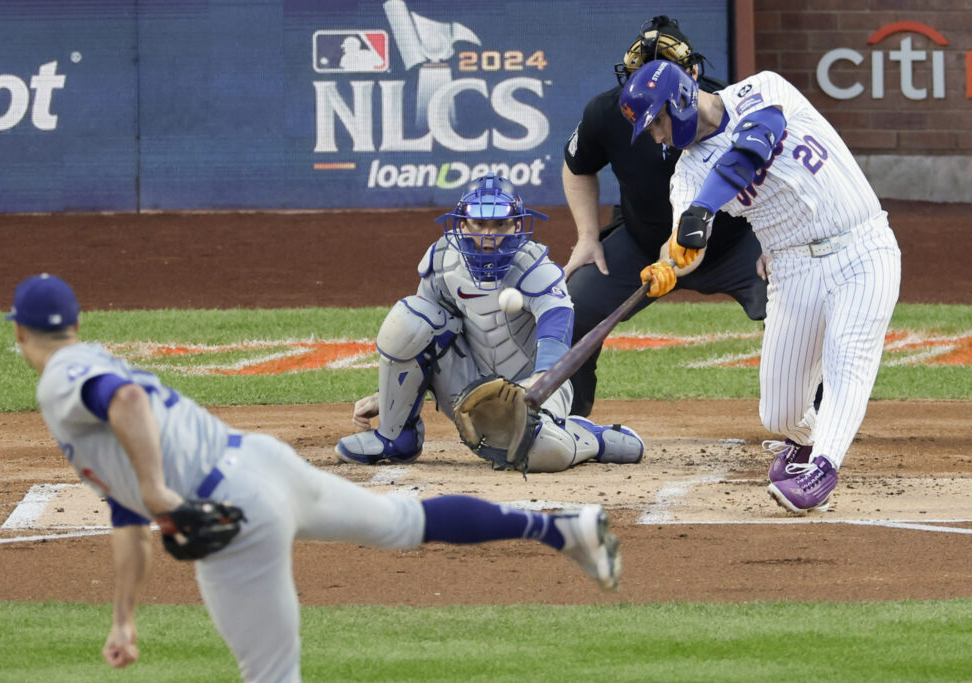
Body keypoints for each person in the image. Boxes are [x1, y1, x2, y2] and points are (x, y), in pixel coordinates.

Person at [7, 272, 622, 682]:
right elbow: (128, 519)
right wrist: (123, 617)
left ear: (17, 331)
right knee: (405, 522)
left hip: (237, 514)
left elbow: (128, 407)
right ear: (75, 323)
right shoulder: (88, 368)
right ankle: (560, 530)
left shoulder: (62, 376)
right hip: (262, 463)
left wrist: (157, 491)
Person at [620, 59, 901, 513]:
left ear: (681, 101)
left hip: (863, 247)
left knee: (848, 354)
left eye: (657, 123)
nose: (657, 137)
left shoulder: (762, 88)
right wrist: (668, 265)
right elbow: (688, 242)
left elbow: (754, 143)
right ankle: (807, 443)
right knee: (779, 413)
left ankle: (823, 470)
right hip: (792, 270)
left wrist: (705, 208)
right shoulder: (687, 175)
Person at [336, 173, 645, 473]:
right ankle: (396, 436)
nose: (488, 234)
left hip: (536, 388)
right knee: (409, 318)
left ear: (516, 223)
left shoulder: (534, 266)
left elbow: (557, 323)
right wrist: (392, 397)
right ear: (463, 222)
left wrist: (540, 379)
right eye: (479, 223)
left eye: (500, 224)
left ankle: (588, 437)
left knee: (543, 452)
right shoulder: (443, 261)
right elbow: (421, 335)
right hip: (469, 388)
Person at [562, 15, 768, 417]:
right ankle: (566, 419)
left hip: (735, 241)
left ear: (691, 77)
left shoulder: (727, 108)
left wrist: (777, 245)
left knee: (795, 297)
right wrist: (587, 237)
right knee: (574, 306)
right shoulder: (606, 112)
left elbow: (775, 175)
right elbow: (577, 166)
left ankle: (819, 417)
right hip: (642, 244)